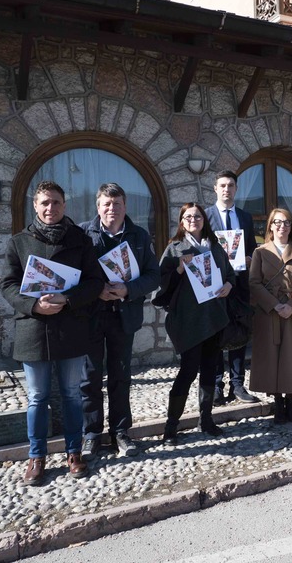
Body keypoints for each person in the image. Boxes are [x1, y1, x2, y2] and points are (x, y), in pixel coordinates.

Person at [0, 181, 104, 486]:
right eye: (45, 203)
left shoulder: (80, 240)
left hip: (70, 328)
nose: (50, 208)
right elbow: (7, 285)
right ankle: (37, 456)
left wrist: (67, 299)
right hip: (33, 330)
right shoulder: (18, 242)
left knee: (72, 394)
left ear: (64, 205)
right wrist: (34, 305)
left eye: (56, 203)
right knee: (37, 397)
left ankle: (74, 452)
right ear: (35, 205)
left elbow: (94, 282)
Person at [79, 183, 160, 460]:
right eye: (106, 204)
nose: (112, 208)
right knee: (88, 378)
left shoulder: (138, 236)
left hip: (123, 315)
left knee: (121, 377)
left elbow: (153, 275)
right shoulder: (82, 234)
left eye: (117, 204)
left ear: (125, 206)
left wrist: (129, 289)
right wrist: (94, 290)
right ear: (98, 206)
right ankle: (91, 434)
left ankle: (121, 432)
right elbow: (73, 275)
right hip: (91, 316)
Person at [153, 203, 235, 445]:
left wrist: (229, 286)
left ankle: (206, 419)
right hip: (188, 320)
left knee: (210, 369)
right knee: (187, 371)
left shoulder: (216, 247)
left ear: (204, 220)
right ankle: (171, 426)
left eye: (197, 216)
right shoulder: (175, 248)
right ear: (181, 221)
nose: (193, 219)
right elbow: (160, 284)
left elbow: (229, 275)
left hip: (213, 317)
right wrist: (179, 268)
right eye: (187, 216)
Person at [249, 208, 292, 423]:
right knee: (271, 357)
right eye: (277, 222)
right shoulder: (260, 252)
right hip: (269, 312)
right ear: (270, 226)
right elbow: (254, 282)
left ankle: (291, 403)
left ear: (291, 226)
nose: (282, 226)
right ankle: (277, 403)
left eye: (286, 222)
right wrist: (274, 305)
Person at [205, 170, 260, 405]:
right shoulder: (205, 216)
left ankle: (237, 385)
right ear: (215, 189)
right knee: (216, 335)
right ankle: (216, 385)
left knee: (239, 334)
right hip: (216, 286)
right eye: (222, 186)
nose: (227, 189)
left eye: (231, 186)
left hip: (239, 285)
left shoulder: (245, 217)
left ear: (236, 189)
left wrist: (249, 258)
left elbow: (251, 248)